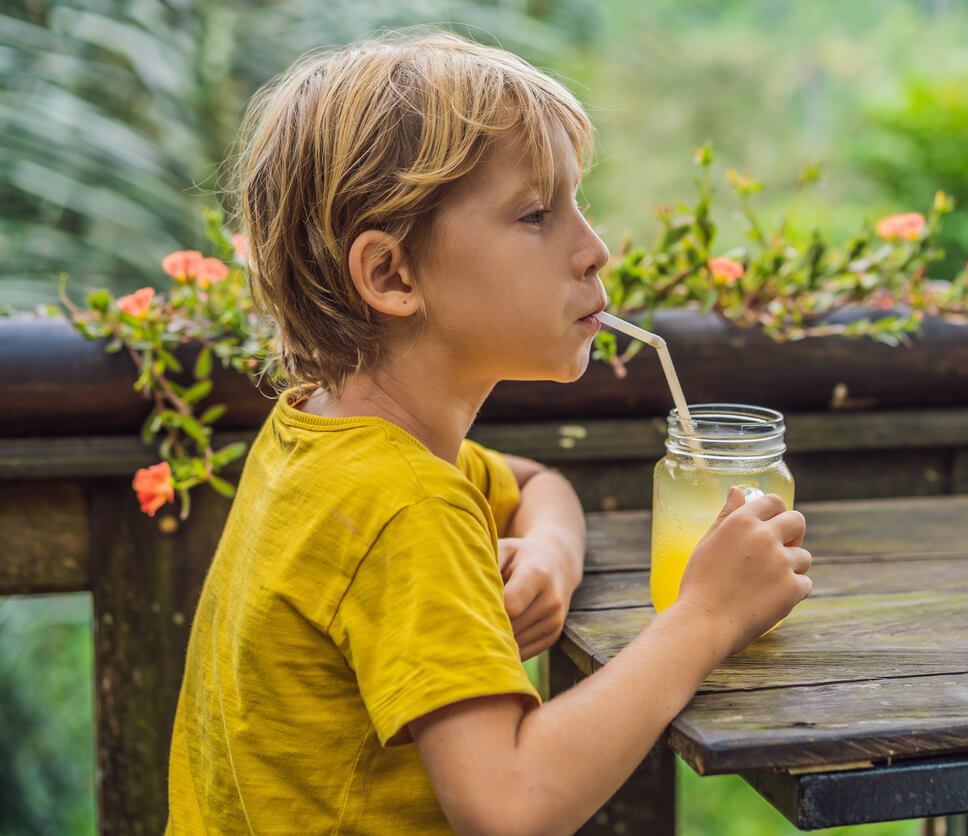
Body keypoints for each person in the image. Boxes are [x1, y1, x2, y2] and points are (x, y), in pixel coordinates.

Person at [166, 28, 812, 835]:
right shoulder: (407, 506)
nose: (594, 249)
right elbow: (509, 805)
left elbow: (541, 486)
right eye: (538, 213)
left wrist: (548, 556)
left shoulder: (325, 439)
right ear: (392, 275)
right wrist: (705, 617)